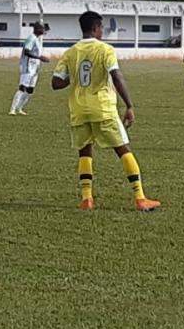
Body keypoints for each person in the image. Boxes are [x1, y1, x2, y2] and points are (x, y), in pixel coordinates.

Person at [51, 11, 161, 212]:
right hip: (102, 108)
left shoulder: (70, 52)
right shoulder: (105, 50)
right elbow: (117, 76)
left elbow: (56, 83)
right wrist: (129, 105)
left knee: (84, 151)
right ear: (95, 28)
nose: (103, 31)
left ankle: (87, 199)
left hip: (78, 109)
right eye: (102, 28)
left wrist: (74, 77)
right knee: (122, 149)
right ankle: (140, 197)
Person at [9, 22, 50, 116]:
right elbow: (27, 52)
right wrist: (40, 58)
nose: (44, 31)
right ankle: (12, 109)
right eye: (43, 29)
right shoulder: (31, 38)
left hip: (35, 68)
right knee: (22, 88)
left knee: (30, 90)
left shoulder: (37, 39)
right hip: (28, 67)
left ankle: (20, 108)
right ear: (38, 29)